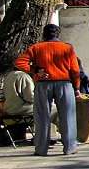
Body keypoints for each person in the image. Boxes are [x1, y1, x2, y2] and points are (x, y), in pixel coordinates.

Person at [14, 24, 80, 156]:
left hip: (43, 84)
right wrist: (76, 87)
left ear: (44, 34)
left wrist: (35, 71)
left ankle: (41, 149)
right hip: (64, 84)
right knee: (68, 116)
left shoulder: (36, 47)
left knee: (42, 116)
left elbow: (19, 62)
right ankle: (70, 147)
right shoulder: (67, 48)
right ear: (58, 34)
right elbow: (75, 70)